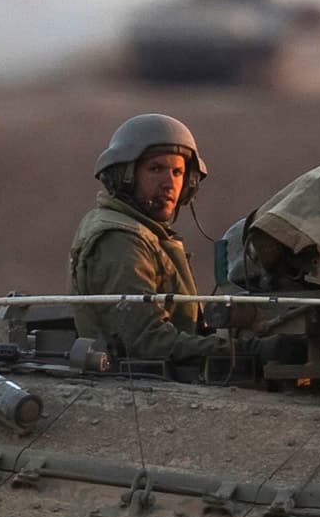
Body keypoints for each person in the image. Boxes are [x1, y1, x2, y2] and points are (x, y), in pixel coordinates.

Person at [69, 114, 234, 368]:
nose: (170, 183)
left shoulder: (146, 233)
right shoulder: (120, 240)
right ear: (124, 175)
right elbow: (147, 342)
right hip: (139, 386)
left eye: (178, 172)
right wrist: (239, 351)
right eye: (156, 169)